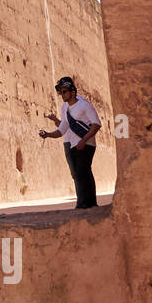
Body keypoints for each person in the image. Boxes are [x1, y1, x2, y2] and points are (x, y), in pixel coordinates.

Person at [37, 76, 101, 209]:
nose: (62, 94)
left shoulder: (84, 105)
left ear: (72, 91)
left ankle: (89, 203)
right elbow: (62, 129)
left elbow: (96, 124)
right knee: (78, 174)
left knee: (83, 172)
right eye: (61, 92)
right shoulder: (65, 108)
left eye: (64, 91)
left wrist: (83, 140)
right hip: (73, 146)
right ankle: (84, 203)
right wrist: (48, 134)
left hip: (86, 144)